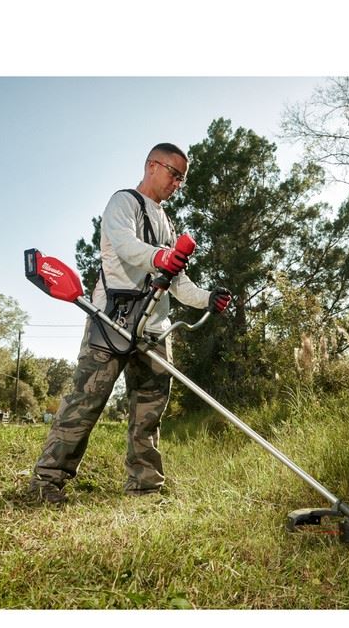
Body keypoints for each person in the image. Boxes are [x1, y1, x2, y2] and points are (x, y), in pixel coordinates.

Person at [30, 143, 231, 504]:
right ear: (152, 165)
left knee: (149, 413)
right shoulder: (123, 203)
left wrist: (207, 298)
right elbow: (126, 247)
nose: (178, 184)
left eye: (183, 179)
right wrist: (163, 256)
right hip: (112, 322)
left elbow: (179, 283)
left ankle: (145, 486)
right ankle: (48, 480)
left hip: (155, 329)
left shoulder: (168, 224)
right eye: (174, 174)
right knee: (85, 403)